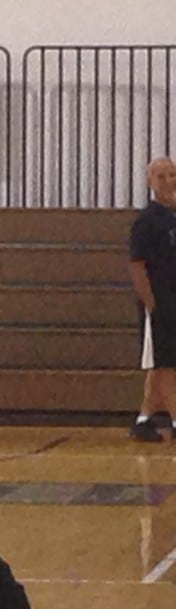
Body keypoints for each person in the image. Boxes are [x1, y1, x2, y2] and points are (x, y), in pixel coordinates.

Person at [130, 157, 176, 442]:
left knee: (161, 363)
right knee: (167, 364)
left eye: (172, 174)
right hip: (160, 302)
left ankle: (144, 420)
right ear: (150, 182)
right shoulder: (146, 220)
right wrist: (152, 305)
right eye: (161, 176)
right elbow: (136, 265)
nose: (169, 180)